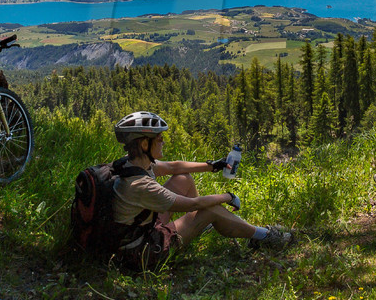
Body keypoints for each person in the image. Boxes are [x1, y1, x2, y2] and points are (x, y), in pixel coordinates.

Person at [109, 111, 295, 269]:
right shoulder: (140, 185)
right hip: (144, 252)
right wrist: (227, 196)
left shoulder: (131, 163)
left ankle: (200, 226)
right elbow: (194, 204)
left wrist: (213, 165)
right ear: (144, 144)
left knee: (183, 179)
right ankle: (265, 236)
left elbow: (175, 168)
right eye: (160, 139)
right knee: (210, 209)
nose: (163, 142)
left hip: (136, 231)